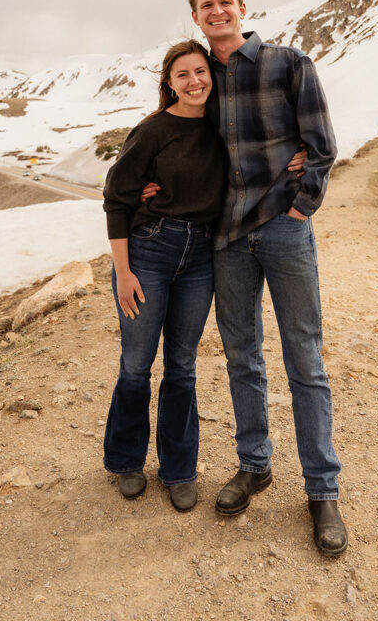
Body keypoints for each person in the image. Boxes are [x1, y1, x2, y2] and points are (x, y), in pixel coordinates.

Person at [187, 0, 347, 555]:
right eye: (207, 6)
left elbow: (323, 145)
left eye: (225, 2)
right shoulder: (199, 77)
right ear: (197, 15)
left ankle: (322, 489)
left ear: (242, 6)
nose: (218, 12)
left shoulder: (287, 63)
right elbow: (179, 141)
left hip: (283, 230)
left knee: (304, 357)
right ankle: (255, 465)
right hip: (226, 238)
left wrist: (301, 209)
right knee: (241, 356)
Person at [102, 39, 225, 512]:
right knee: (136, 364)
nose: (194, 81)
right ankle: (127, 461)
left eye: (201, 72)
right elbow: (117, 197)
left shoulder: (221, 127)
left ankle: (178, 470)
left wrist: (300, 155)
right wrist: (124, 272)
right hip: (150, 252)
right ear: (169, 83)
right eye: (183, 75)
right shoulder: (152, 130)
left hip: (200, 258)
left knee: (183, 366)